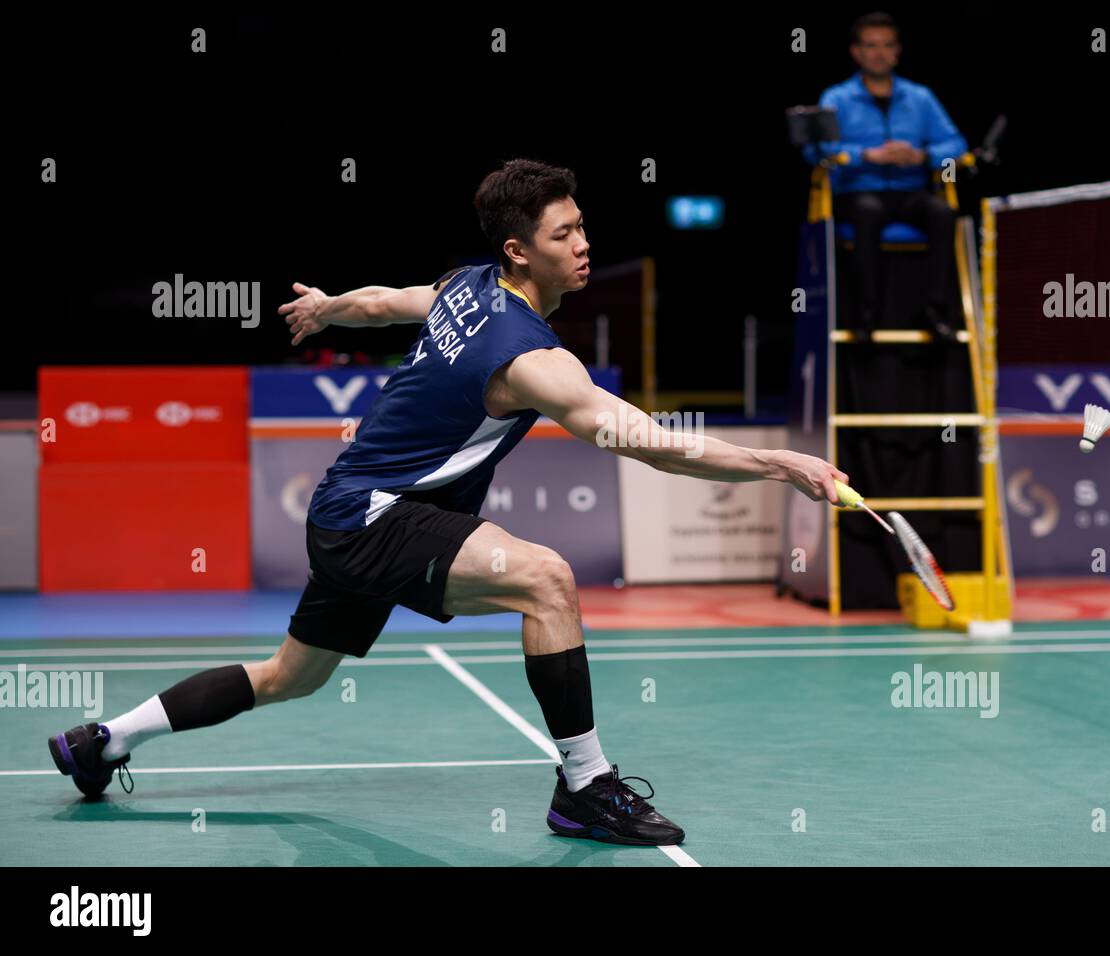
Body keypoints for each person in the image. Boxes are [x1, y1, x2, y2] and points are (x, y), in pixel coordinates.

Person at [48, 158, 850, 847]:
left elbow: (381, 303)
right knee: (548, 580)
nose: (583, 244)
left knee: (289, 677)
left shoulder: (463, 286)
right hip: (375, 517)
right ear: (518, 250)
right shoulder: (532, 357)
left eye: (581, 227)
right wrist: (778, 462)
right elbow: (641, 439)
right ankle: (585, 786)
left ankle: (103, 742)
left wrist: (328, 306)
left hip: (343, 511)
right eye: (563, 234)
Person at [804, 12, 968, 339]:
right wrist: (864, 155)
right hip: (856, 191)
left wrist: (922, 155)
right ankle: (866, 313)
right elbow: (816, 149)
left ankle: (935, 310)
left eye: (886, 46)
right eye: (870, 46)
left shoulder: (920, 98)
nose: (879, 53)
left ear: (897, 51)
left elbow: (956, 144)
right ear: (856, 52)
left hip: (909, 192)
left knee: (942, 213)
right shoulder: (836, 98)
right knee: (868, 211)